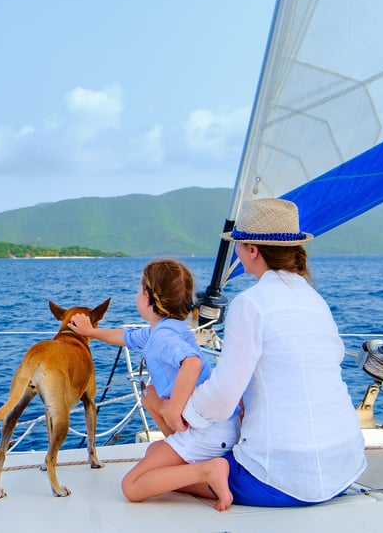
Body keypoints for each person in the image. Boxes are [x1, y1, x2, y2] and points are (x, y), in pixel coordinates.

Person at [144, 198, 366, 509]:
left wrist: (180, 412)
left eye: (239, 244)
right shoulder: (315, 301)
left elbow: (222, 398)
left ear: (253, 250)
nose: (236, 252)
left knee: (157, 469)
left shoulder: (251, 303)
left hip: (281, 478)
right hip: (343, 468)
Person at [67, 258, 241, 509]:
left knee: (132, 486)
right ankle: (197, 464)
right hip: (219, 425)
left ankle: (208, 471)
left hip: (207, 432)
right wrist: (91, 332)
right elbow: (125, 337)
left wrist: (173, 410)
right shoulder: (166, 330)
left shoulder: (163, 337)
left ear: (148, 296)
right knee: (151, 418)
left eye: (139, 289)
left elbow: (191, 362)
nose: (137, 294)